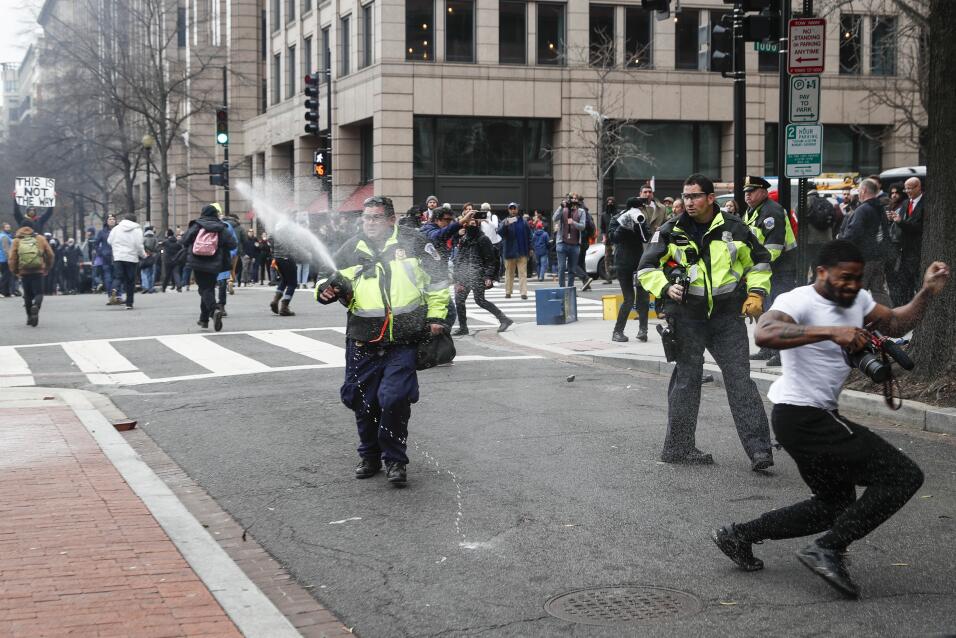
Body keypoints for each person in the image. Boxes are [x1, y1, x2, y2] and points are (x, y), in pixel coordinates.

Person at [712, 240, 949, 599]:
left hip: (812, 418)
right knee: (903, 476)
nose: (851, 285)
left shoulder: (858, 300)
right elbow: (765, 332)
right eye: (844, 277)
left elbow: (898, 323)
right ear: (821, 272)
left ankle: (738, 534)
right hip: (801, 416)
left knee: (833, 506)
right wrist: (830, 331)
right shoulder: (799, 300)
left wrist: (927, 292)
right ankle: (828, 549)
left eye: (856, 278)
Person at [637, 173, 775, 471]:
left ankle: (760, 451)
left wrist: (756, 293)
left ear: (711, 198)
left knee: (740, 382)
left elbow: (760, 262)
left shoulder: (735, 228)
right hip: (686, 317)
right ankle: (678, 449)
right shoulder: (669, 230)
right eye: (685, 196)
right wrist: (665, 287)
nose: (689, 202)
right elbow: (646, 268)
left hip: (727, 318)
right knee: (686, 382)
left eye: (695, 196)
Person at [317, 195, 450, 486]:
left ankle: (395, 461)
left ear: (391, 219)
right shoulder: (352, 248)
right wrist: (326, 290)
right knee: (362, 401)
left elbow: (439, 281)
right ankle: (370, 455)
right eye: (366, 218)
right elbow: (325, 278)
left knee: (394, 398)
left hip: (404, 338)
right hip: (363, 338)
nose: (370, 223)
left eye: (376, 218)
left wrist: (437, 318)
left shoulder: (414, 243)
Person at [743, 176, 798, 366]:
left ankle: (782, 353)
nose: (747, 196)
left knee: (777, 310)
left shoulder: (771, 212)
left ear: (763, 192)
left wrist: (752, 267)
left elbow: (773, 249)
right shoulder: (753, 211)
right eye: (746, 193)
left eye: (752, 192)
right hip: (765, 271)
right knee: (764, 309)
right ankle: (768, 348)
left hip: (780, 269)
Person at [452, 211, 513, 335]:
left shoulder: (483, 239)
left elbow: (490, 260)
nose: (472, 225)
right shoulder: (464, 239)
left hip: (478, 275)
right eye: (470, 223)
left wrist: (488, 276)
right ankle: (463, 327)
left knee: (480, 300)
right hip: (465, 275)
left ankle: (504, 319)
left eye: (475, 223)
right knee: (459, 300)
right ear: (465, 225)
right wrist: (457, 278)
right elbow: (459, 259)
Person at [181, 203, 237, 331]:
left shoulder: (197, 225)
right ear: (215, 214)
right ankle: (203, 320)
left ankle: (214, 311)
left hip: (197, 262)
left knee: (204, 290)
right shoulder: (222, 228)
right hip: (215, 264)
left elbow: (184, 240)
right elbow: (233, 245)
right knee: (208, 289)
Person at [837, 178, 891, 306]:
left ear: (864, 190)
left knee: (857, 291)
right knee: (879, 291)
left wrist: (840, 239)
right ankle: (889, 318)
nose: (858, 193)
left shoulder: (863, 210)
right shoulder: (880, 208)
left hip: (864, 258)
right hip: (879, 257)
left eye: (859, 190)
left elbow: (853, 234)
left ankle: (854, 318)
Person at [609, 196, 652, 343]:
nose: (640, 211)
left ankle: (643, 330)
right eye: (639, 208)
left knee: (643, 297)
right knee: (628, 299)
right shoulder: (617, 218)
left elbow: (646, 237)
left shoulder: (640, 218)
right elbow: (613, 238)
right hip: (623, 262)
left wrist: (638, 225)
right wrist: (624, 225)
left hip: (639, 262)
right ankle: (617, 331)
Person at [420, 203, 467, 328]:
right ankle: (435, 340)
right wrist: (459, 223)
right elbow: (438, 236)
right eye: (446, 220)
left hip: (435, 280)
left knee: (447, 314)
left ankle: (435, 338)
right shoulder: (428, 230)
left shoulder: (438, 230)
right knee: (448, 313)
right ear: (436, 219)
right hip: (428, 282)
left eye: (451, 220)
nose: (449, 223)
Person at [9, 220, 55, 326]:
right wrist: (47, 267)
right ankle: (36, 306)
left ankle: (29, 317)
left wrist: (15, 271)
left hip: (24, 271)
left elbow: (12, 258)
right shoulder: (40, 239)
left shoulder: (16, 240)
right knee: (39, 293)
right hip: (38, 270)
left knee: (27, 295)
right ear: (32, 227)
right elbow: (50, 255)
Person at [888, 177, 924, 305]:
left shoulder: (925, 203)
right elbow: (900, 223)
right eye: (906, 188)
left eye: (910, 188)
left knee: (916, 284)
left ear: (918, 187)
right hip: (903, 252)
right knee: (903, 286)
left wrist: (900, 222)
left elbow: (918, 227)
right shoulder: (905, 203)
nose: (907, 191)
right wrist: (892, 219)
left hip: (917, 251)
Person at [107, 213, 146, 309]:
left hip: (118, 257)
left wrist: (117, 249)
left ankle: (114, 289)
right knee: (130, 281)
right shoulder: (137, 229)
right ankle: (129, 303)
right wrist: (143, 255)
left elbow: (109, 241)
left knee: (118, 277)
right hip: (131, 258)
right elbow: (138, 245)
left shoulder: (116, 228)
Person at [498, 202, 533, 300]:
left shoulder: (524, 222)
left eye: (515, 208)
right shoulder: (505, 221)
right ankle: (508, 292)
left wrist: (530, 248)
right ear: (508, 210)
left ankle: (523, 293)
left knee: (523, 273)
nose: (513, 210)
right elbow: (500, 233)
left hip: (522, 251)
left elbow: (530, 236)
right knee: (509, 273)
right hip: (509, 252)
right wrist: (505, 225)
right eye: (511, 208)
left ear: (517, 210)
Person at [552, 194, 587, 288]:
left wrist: (574, 223)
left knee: (572, 269)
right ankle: (562, 288)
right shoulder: (563, 209)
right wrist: (561, 206)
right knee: (562, 267)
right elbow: (554, 219)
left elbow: (583, 226)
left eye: (575, 199)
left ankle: (570, 289)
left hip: (575, 245)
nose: (573, 200)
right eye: (571, 199)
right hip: (562, 243)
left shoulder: (581, 211)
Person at [269, 224, 298, 317]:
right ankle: (284, 307)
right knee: (292, 283)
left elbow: (270, 242)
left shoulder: (275, 233)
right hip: (287, 258)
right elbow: (294, 246)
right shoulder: (288, 234)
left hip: (277, 258)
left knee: (284, 280)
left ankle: (275, 300)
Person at [95, 215, 119, 303]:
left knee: (117, 276)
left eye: (113, 219)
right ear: (106, 221)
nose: (112, 221)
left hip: (117, 256)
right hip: (106, 257)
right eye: (110, 219)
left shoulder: (119, 230)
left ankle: (118, 295)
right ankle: (110, 295)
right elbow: (96, 244)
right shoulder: (102, 232)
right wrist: (101, 252)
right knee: (108, 276)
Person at [600, 196, 618, 283]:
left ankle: (619, 275)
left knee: (617, 257)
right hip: (608, 240)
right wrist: (603, 238)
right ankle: (608, 277)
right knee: (607, 258)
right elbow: (602, 228)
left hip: (617, 239)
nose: (610, 204)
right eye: (608, 202)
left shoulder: (618, 214)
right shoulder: (604, 215)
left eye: (612, 202)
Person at [141, 227, 159, 293]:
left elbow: (141, 247)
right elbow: (157, 248)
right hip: (153, 257)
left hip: (145, 257)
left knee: (144, 272)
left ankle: (145, 286)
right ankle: (151, 288)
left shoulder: (143, 238)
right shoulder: (155, 238)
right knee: (152, 273)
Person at [0, 222, 14, 297]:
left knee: (7, 275)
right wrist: (10, 258)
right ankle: (1, 291)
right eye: (7, 227)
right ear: (3, 228)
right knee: (6, 276)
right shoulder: (4, 237)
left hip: (2, 259)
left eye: (9, 227)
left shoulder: (5, 236)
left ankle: (6, 292)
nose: (9, 229)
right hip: (4, 259)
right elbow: (6, 249)